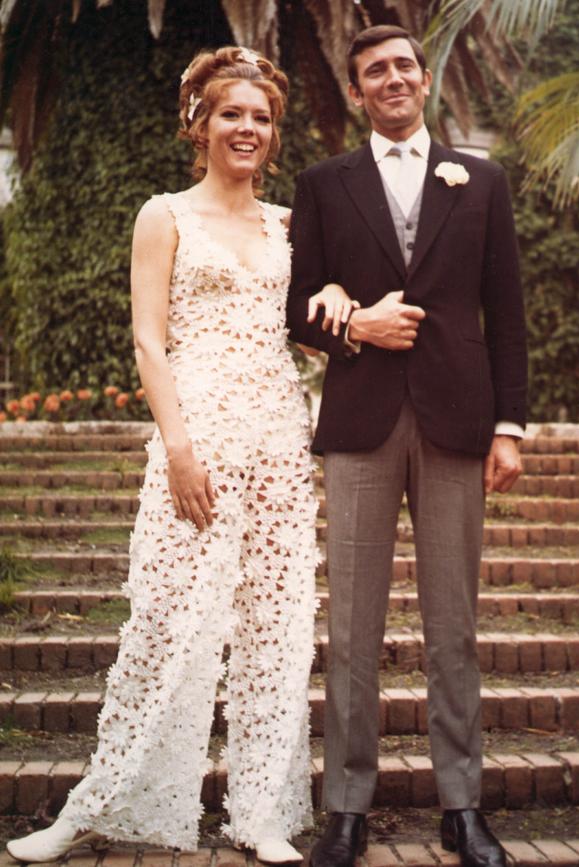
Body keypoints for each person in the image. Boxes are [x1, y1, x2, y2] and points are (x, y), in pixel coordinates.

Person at [7, 46, 354, 866]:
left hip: (276, 442)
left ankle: (262, 811)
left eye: (262, 118)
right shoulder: (163, 214)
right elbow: (148, 341)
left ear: (274, 135)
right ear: (198, 123)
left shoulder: (289, 225)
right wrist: (178, 448)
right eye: (232, 113)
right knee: (166, 625)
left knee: (274, 629)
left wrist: (341, 299)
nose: (248, 128)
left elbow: (316, 313)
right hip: (194, 443)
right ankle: (100, 802)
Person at [286, 24, 527, 867]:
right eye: (373, 72)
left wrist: (510, 425)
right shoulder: (323, 184)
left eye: (402, 66)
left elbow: (508, 310)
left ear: (425, 80)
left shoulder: (482, 180)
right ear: (355, 93)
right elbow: (296, 309)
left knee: (453, 626)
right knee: (352, 629)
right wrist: (358, 323)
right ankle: (345, 810)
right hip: (361, 422)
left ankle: (463, 807)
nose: (391, 79)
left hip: (460, 420)